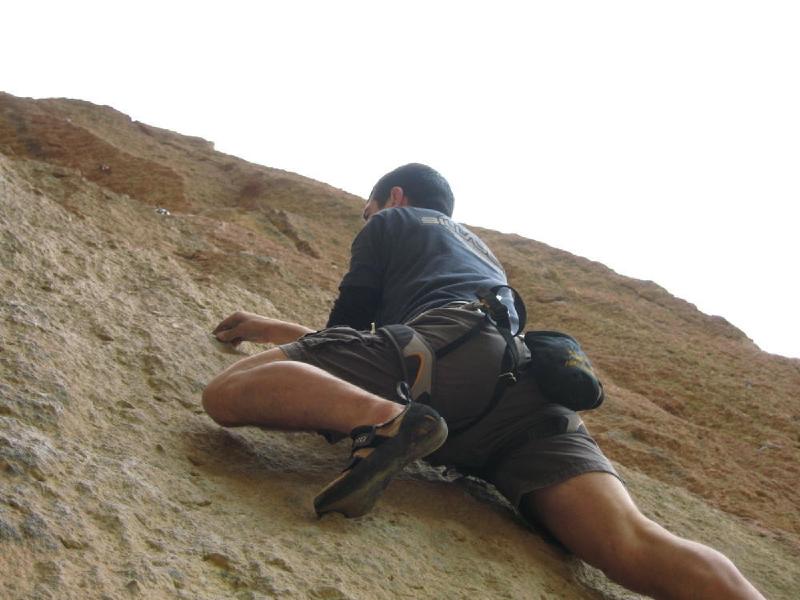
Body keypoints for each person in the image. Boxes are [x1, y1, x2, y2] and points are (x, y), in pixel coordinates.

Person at [202, 164, 765, 599]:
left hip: (437, 362)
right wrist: (283, 326)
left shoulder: (395, 222)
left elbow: (348, 331)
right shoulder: (478, 251)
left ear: (393, 198)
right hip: (520, 387)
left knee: (228, 391)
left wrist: (278, 337)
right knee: (633, 540)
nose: (367, 221)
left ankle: (386, 423)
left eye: (367, 211)